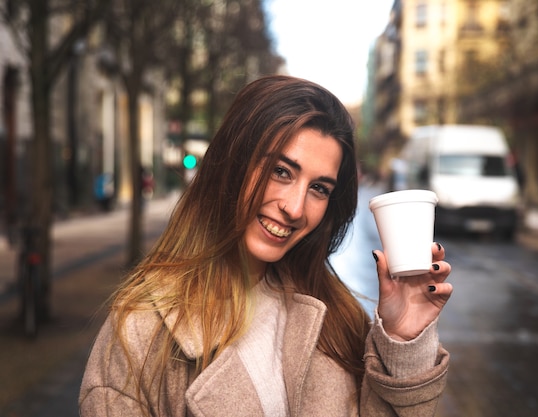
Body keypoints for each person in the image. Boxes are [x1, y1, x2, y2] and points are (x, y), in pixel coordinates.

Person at [79, 75, 453, 416]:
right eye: (281, 171)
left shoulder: (337, 318)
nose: (294, 208)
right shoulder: (139, 331)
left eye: (319, 188)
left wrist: (404, 340)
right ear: (233, 162)